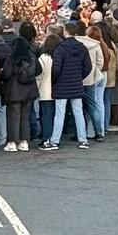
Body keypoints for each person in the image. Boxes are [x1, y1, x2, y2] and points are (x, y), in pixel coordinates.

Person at [45, 21, 92, 151]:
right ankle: (83, 139)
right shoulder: (82, 47)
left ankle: (55, 140)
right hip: (76, 84)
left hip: (61, 85)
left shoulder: (60, 48)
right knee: (78, 112)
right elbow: (88, 67)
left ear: (65, 32)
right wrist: (78, 77)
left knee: (60, 113)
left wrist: (54, 81)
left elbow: (56, 69)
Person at [0, 30, 41, 152]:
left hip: (15, 91)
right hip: (29, 91)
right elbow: (39, 70)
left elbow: (6, 75)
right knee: (25, 117)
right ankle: (24, 142)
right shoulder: (32, 57)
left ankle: (12, 142)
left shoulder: (12, 58)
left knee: (13, 117)